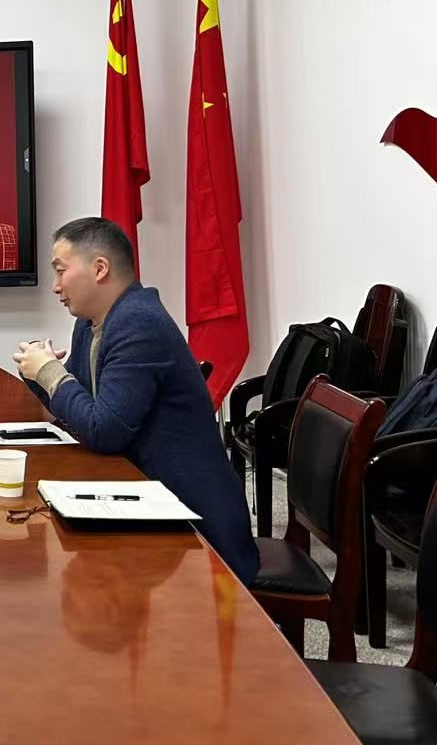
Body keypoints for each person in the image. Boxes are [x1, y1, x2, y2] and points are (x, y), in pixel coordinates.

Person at [13, 217, 258, 584]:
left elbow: (104, 430)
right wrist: (37, 371)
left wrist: (49, 372)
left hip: (193, 525)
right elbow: (80, 408)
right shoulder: (91, 322)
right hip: (142, 497)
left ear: (100, 269)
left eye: (61, 271)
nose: (55, 286)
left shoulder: (138, 323)